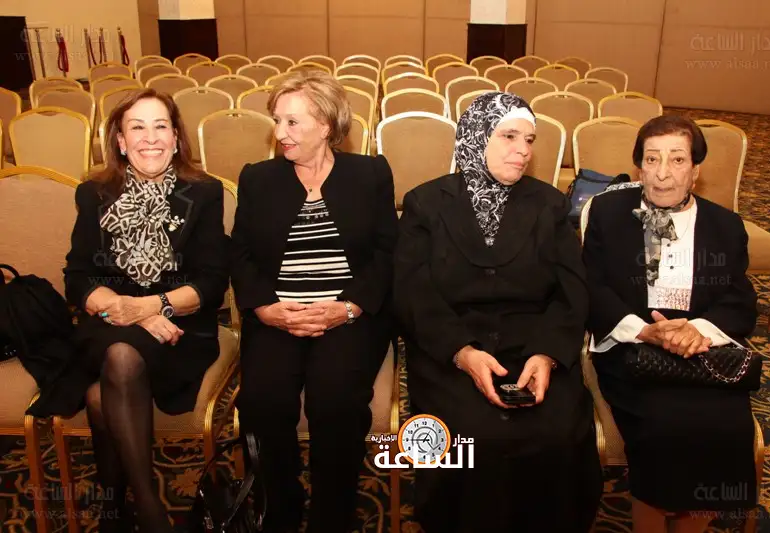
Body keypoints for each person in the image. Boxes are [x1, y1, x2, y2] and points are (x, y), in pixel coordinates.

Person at [393, 92, 602, 533]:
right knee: (473, 437)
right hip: (452, 348)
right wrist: (462, 352)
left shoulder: (549, 204)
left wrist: (547, 354)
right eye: (509, 136)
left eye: (529, 139)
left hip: (533, 346)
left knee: (558, 432)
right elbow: (413, 292)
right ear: (476, 137)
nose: (523, 149)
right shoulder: (426, 203)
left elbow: (573, 290)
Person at [230, 70, 398, 533]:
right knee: (262, 401)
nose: (280, 132)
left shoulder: (369, 174)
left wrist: (350, 307)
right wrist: (265, 308)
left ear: (325, 125)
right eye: (277, 121)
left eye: (292, 122)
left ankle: (332, 512)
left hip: (347, 315)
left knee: (336, 398)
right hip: (277, 314)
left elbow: (388, 251)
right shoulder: (258, 178)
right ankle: (279, 507)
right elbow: (240, 253)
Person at [583, 115, 759, 533]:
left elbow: (740, 302)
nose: (663, 173)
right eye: (652, 159)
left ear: (695, 170)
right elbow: (590, 287)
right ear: (639, 168)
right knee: (663, 426)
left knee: (725, 425)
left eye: (677, 159)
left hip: (702, 353)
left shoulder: (724, 225)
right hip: (633, 350)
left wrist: (698, 329)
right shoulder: (607, 213)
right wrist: (643, 330)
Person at [64, 88, 229, 533]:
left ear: (176, 138)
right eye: (137, 127)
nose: (150, 138)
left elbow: (211, 282)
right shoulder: (93, 194)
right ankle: (151, 512)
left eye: (160, 126)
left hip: (180, 328)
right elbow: (78, 277)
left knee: (101, 394)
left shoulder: (203, 192)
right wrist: (130, 311)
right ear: (120, 141)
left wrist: (152, 306)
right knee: (119, 354)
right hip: (108, 321)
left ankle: (116, 509)